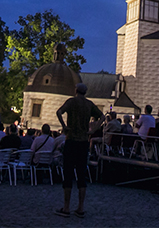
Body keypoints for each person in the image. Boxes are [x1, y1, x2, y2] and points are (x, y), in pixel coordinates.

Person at [55, 83, 103, 218]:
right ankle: (80, 208)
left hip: (71, 140)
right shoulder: (89, 104)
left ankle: (66, 207)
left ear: (76, 90)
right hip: (83, 142)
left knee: (68, 174)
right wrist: (93, 130)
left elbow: (59, 112)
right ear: (85, 92)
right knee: (81, 175)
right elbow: (103, 117)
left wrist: (64, 126)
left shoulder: (71, 102)